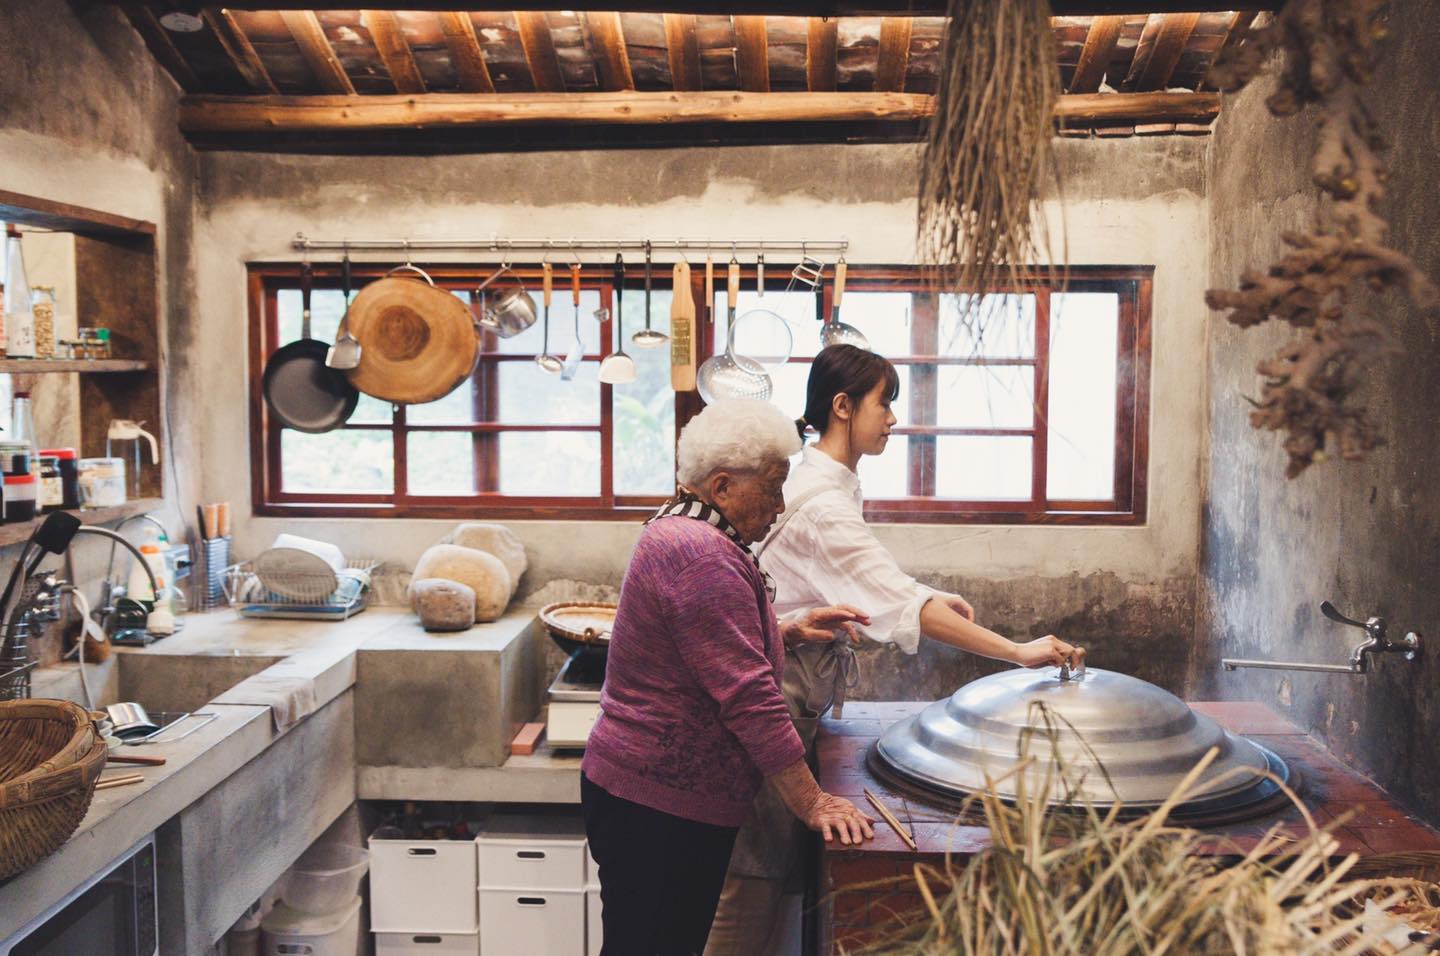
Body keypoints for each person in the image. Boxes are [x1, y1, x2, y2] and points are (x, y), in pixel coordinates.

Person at [705, 344, 1084, 956]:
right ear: (842, 406)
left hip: (782, 699)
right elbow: (893, 601)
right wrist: (1018, 651)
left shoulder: (812, 477)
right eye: (887, 403)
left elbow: (868, 582)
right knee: (749, 894)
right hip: (769, 709)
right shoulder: (823, 504)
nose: (893, 418)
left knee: (764, 885)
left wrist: (926, 593)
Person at [581, 397, 876, 956]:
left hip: (647, 795)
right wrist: (812, 802)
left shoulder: (683, 529)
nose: (780, 502)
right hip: (658, 806)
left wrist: (783, 629)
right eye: (771, 487)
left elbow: (698, 645)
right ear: (721, 487)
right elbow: (749, 698)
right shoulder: (700, 555)